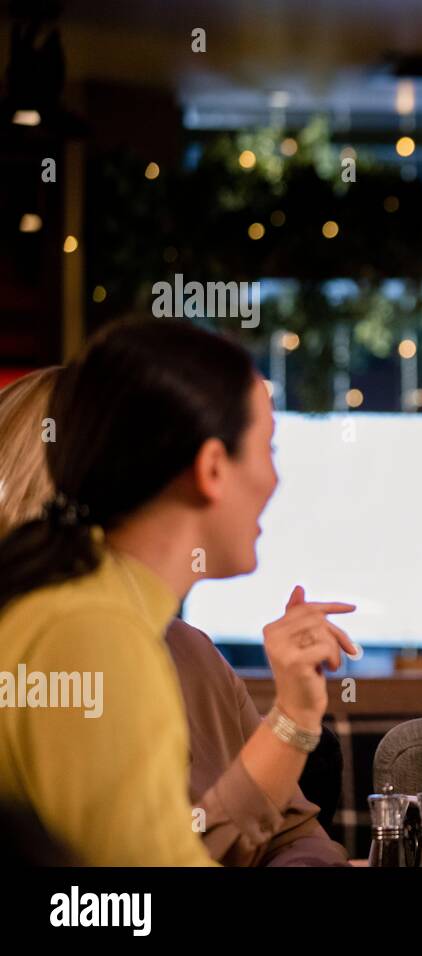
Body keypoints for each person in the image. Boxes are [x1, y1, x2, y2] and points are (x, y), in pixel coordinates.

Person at [0, 320, 357, 865]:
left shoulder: (107, 620)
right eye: (268, 448)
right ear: (212, 467)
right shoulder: (93, 632)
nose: (276, 481)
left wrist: (295, 717)